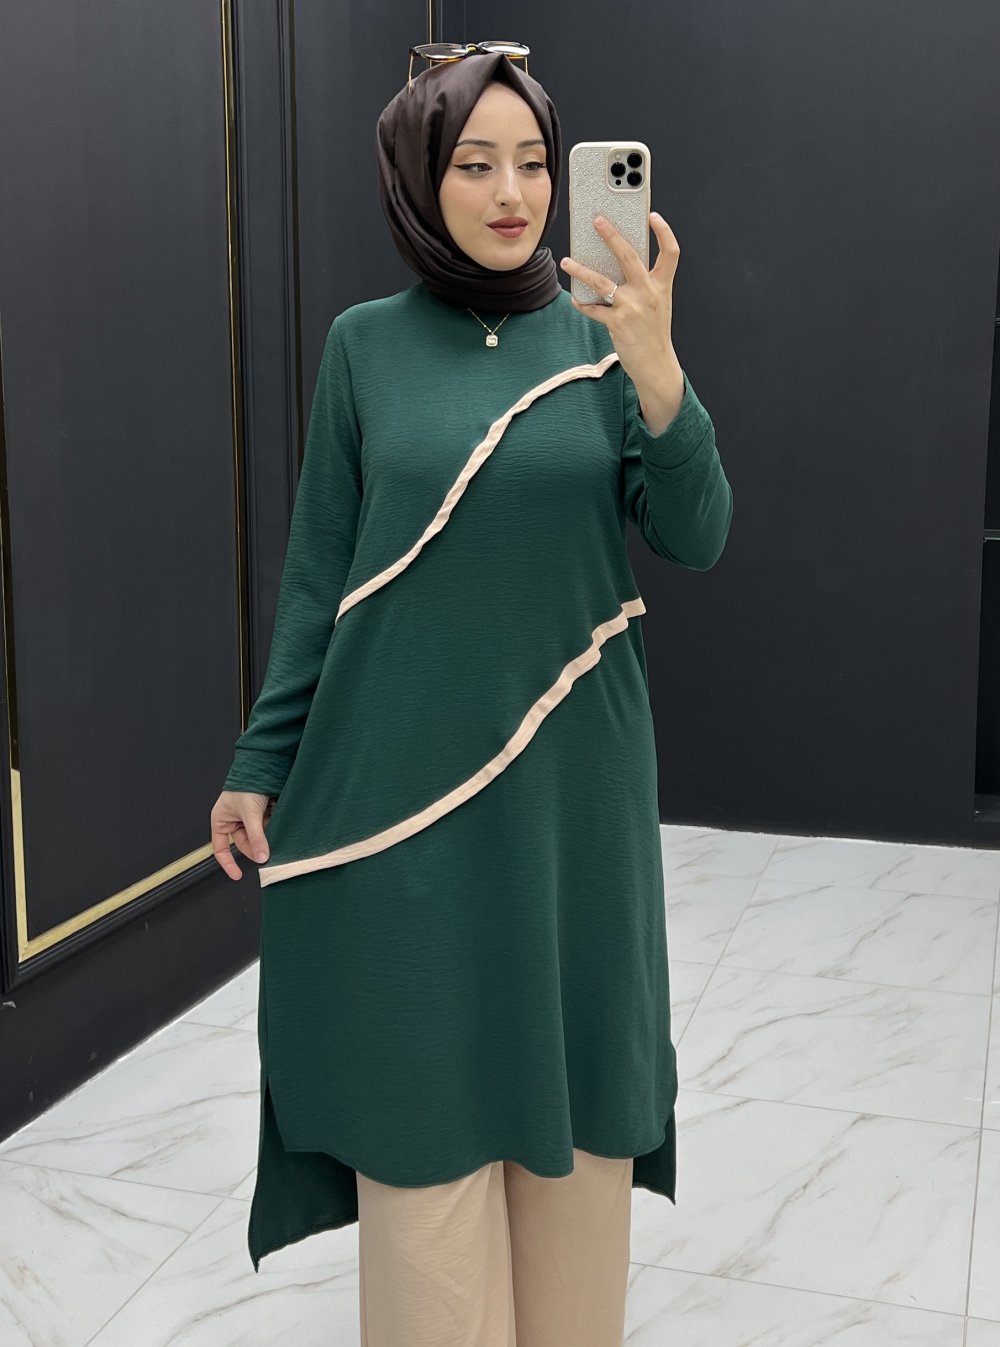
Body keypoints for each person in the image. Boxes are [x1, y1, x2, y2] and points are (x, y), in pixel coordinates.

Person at [209, 45, 733, 1347]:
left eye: (535, 164)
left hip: (575, 793)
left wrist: (659, 370)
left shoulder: (605, 331)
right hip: (402, 789)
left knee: (576, 1095)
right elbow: (321, 576)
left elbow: (699, 533)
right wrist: (261, 760)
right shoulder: (364, 349)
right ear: (416, 179)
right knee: (425, 1099)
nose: (513, 193)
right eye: (475, 163)